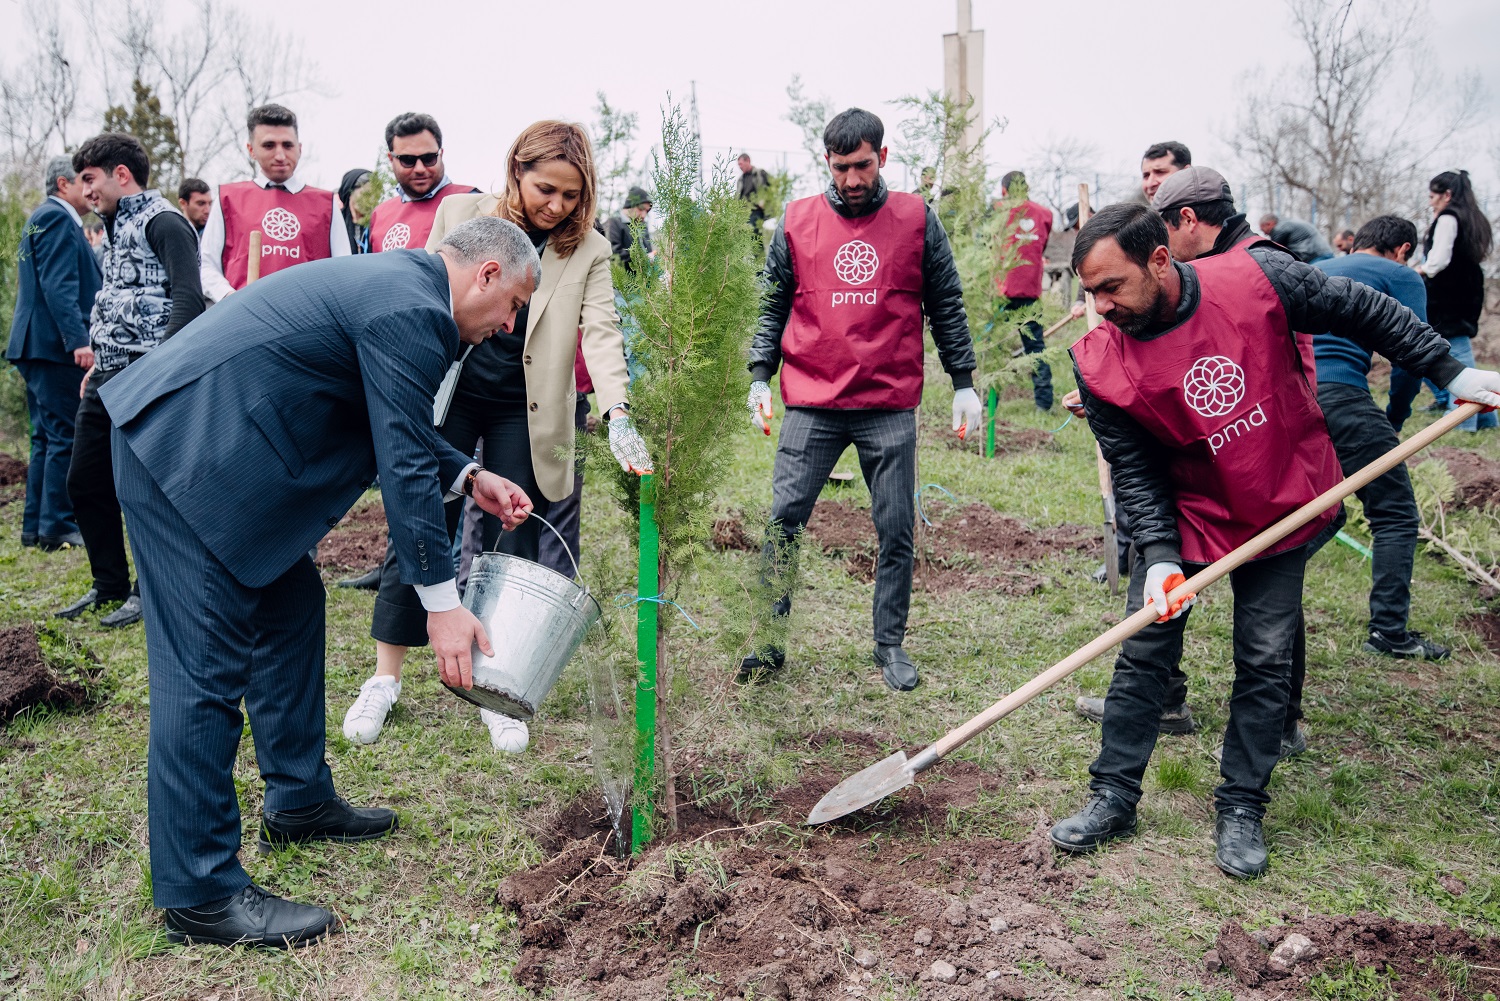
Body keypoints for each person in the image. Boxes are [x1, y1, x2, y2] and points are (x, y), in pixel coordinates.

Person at [100, 215, 540, 949]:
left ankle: (298, 799)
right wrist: (442, 604)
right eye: (514, 305)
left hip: (211, 445)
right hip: (186, 453)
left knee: (293, 603)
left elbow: (390, 419)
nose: (508, 325)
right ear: (487, 274)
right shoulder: (415, 309)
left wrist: (467, 473)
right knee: (201, 670)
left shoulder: (403, 289)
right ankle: (201, 891)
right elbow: (397, 459)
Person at [1052, 202, 1500, 879]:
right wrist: (1160, 557)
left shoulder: (1258, 279)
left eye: (1111, 287)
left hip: (1278, 494)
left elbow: (1363, 310)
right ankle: (1113, 794)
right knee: (1144, 651)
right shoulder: (1101, 363)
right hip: (1188, 510)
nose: (1101, 306)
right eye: (1091, 292)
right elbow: (1136, 471)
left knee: (1264, 658)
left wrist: (1449, 370)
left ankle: (1241, 805)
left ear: (1159, 260)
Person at [341, 120, 641, 754]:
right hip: (451, 390)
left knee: (515, 531)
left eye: (568, 194)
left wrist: (618, 413)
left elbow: (603, 334)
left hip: (524, 409)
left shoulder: (586, 249)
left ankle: (496, 684)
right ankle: (384, 676)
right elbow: (423, 295)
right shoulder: (460, 212)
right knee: (418, 515)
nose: (554, 205)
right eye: (543, 189)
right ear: (517, 173)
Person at [741, 107, 979, 692]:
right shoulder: (796, 222)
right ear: (827, 161)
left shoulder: (916, 220)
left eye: (864, 165)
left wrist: (965, 380)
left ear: (883, 158)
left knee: (896, 527)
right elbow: (773, 305)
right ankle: (768, 643)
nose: (853, 179)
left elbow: (945, 303)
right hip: (813, 401)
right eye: (842, 167)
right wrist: (758, 373)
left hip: (887, 402)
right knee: (783, 522)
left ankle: (889, 643)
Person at [55, 133, 204, 629]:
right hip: (108, 373)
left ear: (122, 174)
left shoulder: (165, 222)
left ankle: (149, 589)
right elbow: (116, 303)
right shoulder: (114, 228)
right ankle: (109, 583)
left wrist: (164, 374)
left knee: (144, 493)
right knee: (84, 479)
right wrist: (99, 360)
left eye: (90, 179)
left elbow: (186, 299)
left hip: (147, 375)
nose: (85, 191)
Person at [1312, 214, 1449, 660]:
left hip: (1288, 398)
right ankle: (1389, 632)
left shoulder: (1317, 265)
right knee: (1394, 513)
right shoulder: (1400, 275)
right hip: (1341, 395)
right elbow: (1414, 355)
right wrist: (1395, 415)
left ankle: (1258, 585)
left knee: (1316, 510)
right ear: (1404, 249)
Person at [5, 156, 101, 550]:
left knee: (44, 436)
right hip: (54, 345)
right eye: (84, 180)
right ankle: (59, 524)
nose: (91, 189)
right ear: (64, 184)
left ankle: (36, 527)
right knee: (65, 434)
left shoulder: (40, 217)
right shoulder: (59, 219)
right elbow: (59, 286)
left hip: (34, 343)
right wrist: (79, 340)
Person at [199, 104, 351, 301]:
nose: (280, 155)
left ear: (300, 148)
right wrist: (230, 298)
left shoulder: (326, 204)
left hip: (308, 322)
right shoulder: (228, 198)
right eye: (269, 145)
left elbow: (343, 270)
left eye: (287, 145)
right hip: (243, 319)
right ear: (251, 150)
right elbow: (207, 265)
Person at [1396, 170, 1496, 433]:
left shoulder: (1448, 218)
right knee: (1460, 345)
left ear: (1447, 195)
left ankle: (1463, 421)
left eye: (1432, 196)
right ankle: (1486, 419)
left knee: (1457, 351)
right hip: (1468, 289)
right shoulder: (1473, 217)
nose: (1430, 202)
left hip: (1449, 293)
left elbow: (1438, 260)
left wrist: (1418, 270)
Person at [367, 112, 479, 254]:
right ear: (391, 159)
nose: (419, 169)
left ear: (441, 154)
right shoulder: (380, 215)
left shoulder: (471, 202)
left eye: (428, 158)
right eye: (407, 160)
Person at [995, 170, 1055, 410]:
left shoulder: (999, 211)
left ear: (1004, 190)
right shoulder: (1045, 214)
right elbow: (1040, 248)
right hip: (1031, 292)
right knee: (1036, 349)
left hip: (1001, 293)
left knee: (994, 350)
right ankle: (1044, 404)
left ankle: (990, 402)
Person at [604, 185, 653, 271]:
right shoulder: (614, 223)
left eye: (647, 211)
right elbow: (614, 253)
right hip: (623, 280)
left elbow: (649, 250)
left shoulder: (642, 225)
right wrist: (641, 259)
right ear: (630, 205)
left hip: (645, 280)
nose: (644, 215)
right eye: (641, 208)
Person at [1257, 212, 1335, 263]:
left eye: (1262, 229)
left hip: (1315, 257)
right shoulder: (1288, 223)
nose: (1264, 233)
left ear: (1269, 224)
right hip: (1324, 253)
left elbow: (1272, 251)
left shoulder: (1279, 229)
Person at [337, 168, 372, 254]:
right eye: (366, 194)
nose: (371, 200)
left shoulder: (378, 223)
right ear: (350, 193)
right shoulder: (335, 223)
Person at [738, 152, 771, 235]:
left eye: (741, 164)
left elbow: (772, 186)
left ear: (748, 161)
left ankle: (760, 247)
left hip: (756, 210)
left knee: (753, 232)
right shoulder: (741, 179)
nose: (740, 167)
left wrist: (764, 199)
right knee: (745, 234)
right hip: (744, 212)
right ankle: (760, 248)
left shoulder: (760, 173)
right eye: (738, 165)